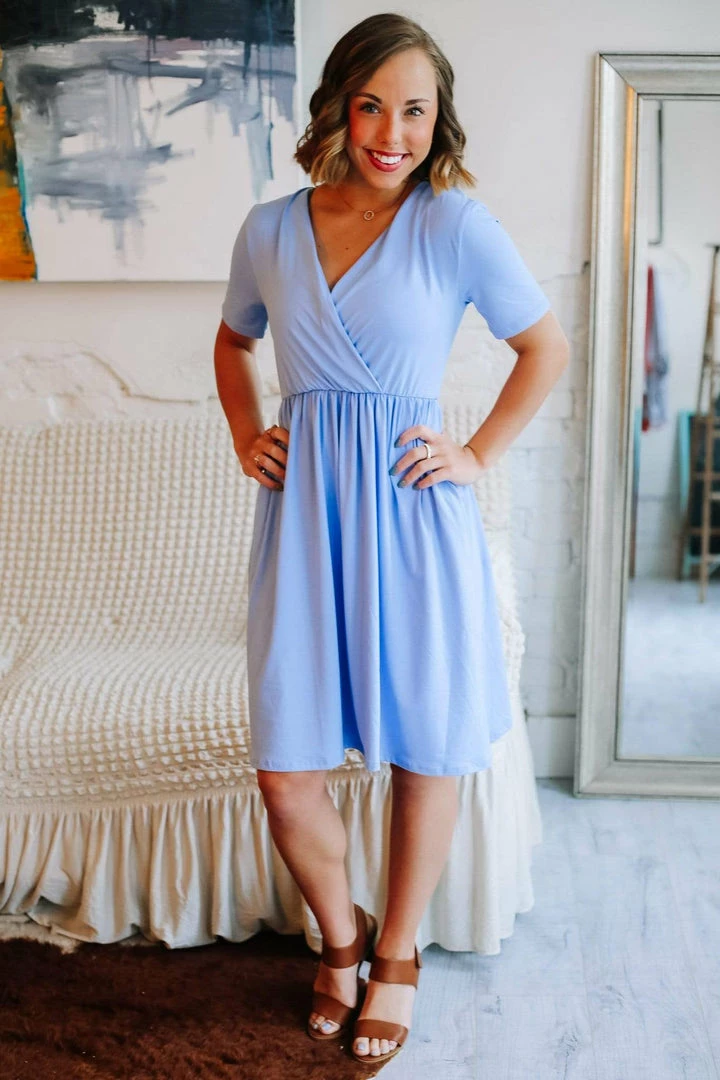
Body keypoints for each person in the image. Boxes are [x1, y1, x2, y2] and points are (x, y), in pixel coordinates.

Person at [214, 12, 569, 1065]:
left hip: (415, 520)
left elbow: (544, 347)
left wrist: (475, 454)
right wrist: (246, 432)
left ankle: (398, 955)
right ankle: (342, 935)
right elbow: (233, 341)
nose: (392, 133)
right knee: (285, 772)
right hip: (304, 525)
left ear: (437, 118)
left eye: (415, 110)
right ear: (338, 106)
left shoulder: (454, 223)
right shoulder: (269, 230)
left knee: (424, 749)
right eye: (371, 106)